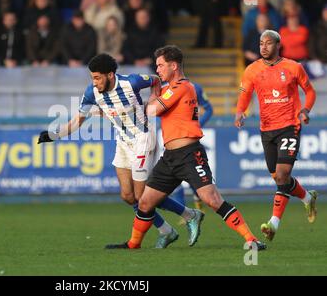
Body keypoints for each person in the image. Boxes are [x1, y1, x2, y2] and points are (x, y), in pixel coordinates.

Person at [106, 45, 266, 250]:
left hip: (190, 154)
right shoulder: (170, 89)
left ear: (174, 66)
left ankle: (251, 239)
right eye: (157, 66)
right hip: (170, 156)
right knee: (145, 202)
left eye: (161, 65)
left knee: (212, 199)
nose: (158, 70)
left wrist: (154, 91)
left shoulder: (181, 86)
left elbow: (152, 110)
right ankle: (133, 244)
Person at [37, 53, 203, 248]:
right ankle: (167, 230)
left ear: (110, 75)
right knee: (127, 196)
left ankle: (189, 215)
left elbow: (156, 80)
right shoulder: (92, 93)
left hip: (143, 139)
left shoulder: (132, 82)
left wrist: (153, 99)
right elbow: (76, 122)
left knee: (143, 197)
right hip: (123, 142)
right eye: (92, 78)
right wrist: (53, 135)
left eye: (98, 77)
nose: (94, 82)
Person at [235, 30, 318, 242]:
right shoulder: (252, 70)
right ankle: (308, 197)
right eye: (261, 43)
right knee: (280, 178)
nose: (263, 47)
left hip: (290, 126)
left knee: (281, 176)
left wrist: (305, 111)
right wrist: (239, 113)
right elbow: (245, 95)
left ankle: (273, 224)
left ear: (278, 45)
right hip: (267, 130)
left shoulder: (293, 67)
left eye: (268, 43)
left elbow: (310, 92)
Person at [169, 81, 213, 210]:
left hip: (189, 140)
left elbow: (209, 109)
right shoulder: (162, 88)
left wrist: (197, 127)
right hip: (169, 138)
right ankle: (186, 213)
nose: (159, 70)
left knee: (193, 175)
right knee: (174, 177)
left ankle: (198, 201)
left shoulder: (194, 87)